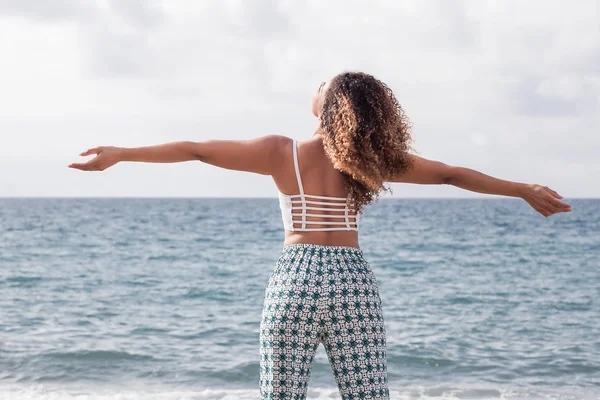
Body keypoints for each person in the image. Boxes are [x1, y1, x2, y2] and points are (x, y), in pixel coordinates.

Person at [68, 71, 572, 399]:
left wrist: (122, 152)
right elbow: (450, 174)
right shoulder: (370, 162)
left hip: (296, 279)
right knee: (367, 394)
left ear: (327, 106)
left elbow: (196, 149)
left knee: (280, 395)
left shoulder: (279, 151)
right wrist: (521, 190)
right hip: (351, 281)